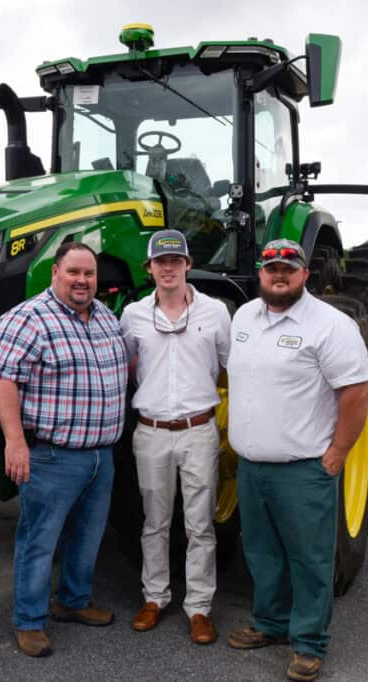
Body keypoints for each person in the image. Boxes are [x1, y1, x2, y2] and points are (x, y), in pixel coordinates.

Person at [225, 239, 368, 682]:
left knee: (309, 559)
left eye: (289, 267)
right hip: (251, 467)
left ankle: (309, 642)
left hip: (303, 469)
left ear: (305, 274)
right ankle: (270, 624)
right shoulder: (244, 317)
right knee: (263, 553)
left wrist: (338, 453)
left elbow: (357, 391)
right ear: (261, 274)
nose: (280, 274)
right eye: (272, 268)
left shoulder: (330, 325)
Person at [0, 241, 129, 658]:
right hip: (52, 454)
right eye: (74, 273)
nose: (82, 281)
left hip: (101, 454)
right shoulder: (27, 318)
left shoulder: (104, 315)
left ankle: (72, 601)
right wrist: (15, 443)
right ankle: (29, 621)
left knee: (88, 536)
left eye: (89, 274)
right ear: (55, 273)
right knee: (39, 539)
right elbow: (3, 379)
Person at [120, 229, 231, 645]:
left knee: (200, 524)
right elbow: (125, 363)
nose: (168, 268)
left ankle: (200, 607)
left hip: (198, 430)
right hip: (151, 431)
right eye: (160, 262)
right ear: (149, 269)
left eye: (176, 261)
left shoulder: (216, 312)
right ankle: (155, 597)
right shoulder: (132, 315)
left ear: (187, 265)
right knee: (154, 522)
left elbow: (230, 366)